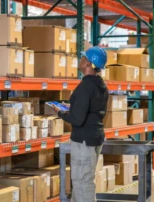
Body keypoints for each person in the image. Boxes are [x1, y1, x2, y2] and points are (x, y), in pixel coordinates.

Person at [53, 46, 109, 202]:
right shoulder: (100, 85)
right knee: (80, 183)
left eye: (84, 58)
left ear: (89, 64)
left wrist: (60, 112)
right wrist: (74, 106)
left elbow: (77, 119)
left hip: (83, 140)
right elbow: (93, 108)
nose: (81, 60)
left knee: (82, 182)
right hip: (95, 137)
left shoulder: (85, 86)